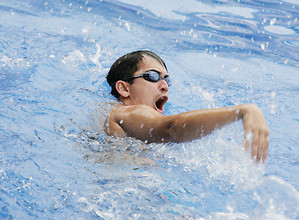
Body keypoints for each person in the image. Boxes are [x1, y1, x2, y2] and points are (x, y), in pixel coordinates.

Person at [105, 50, 269, 163]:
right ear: (124, 88)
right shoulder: (124, 112)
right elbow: (172, 129)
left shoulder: (113, 119)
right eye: (153, 76)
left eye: (167, 80)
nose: (164, 86)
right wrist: (241, 111)